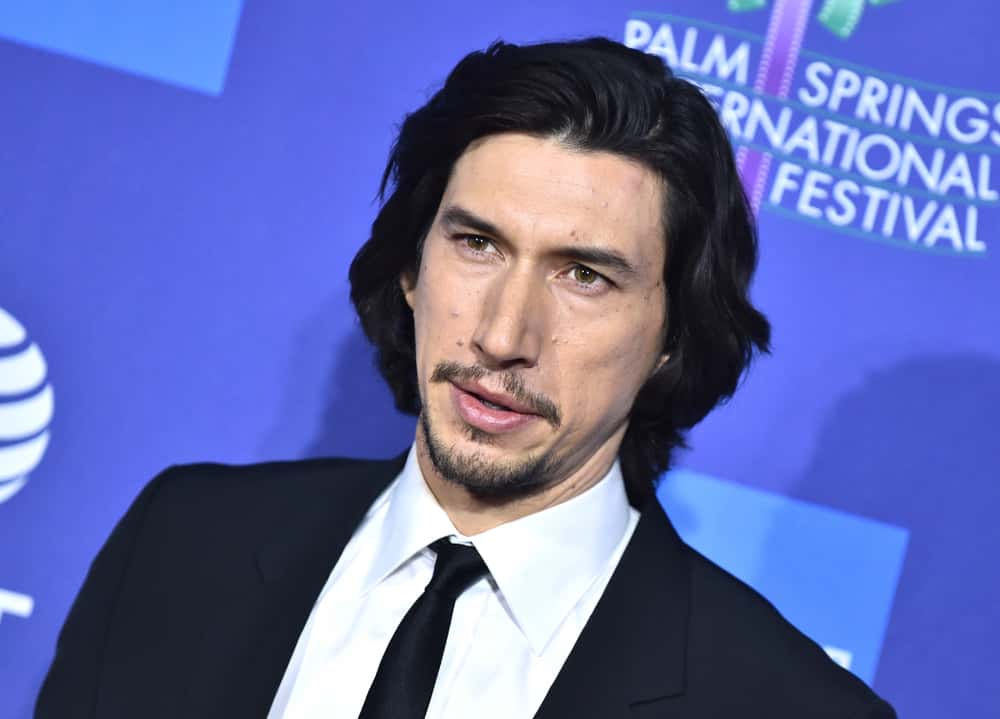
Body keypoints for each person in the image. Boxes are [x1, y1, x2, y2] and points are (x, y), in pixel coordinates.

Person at [36, 38, 896, 719]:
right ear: (411, 266)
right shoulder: (180, 542)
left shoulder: (783, 703)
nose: (501, 334)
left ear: (675, 335)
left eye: (584, 275)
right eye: (476, 244)